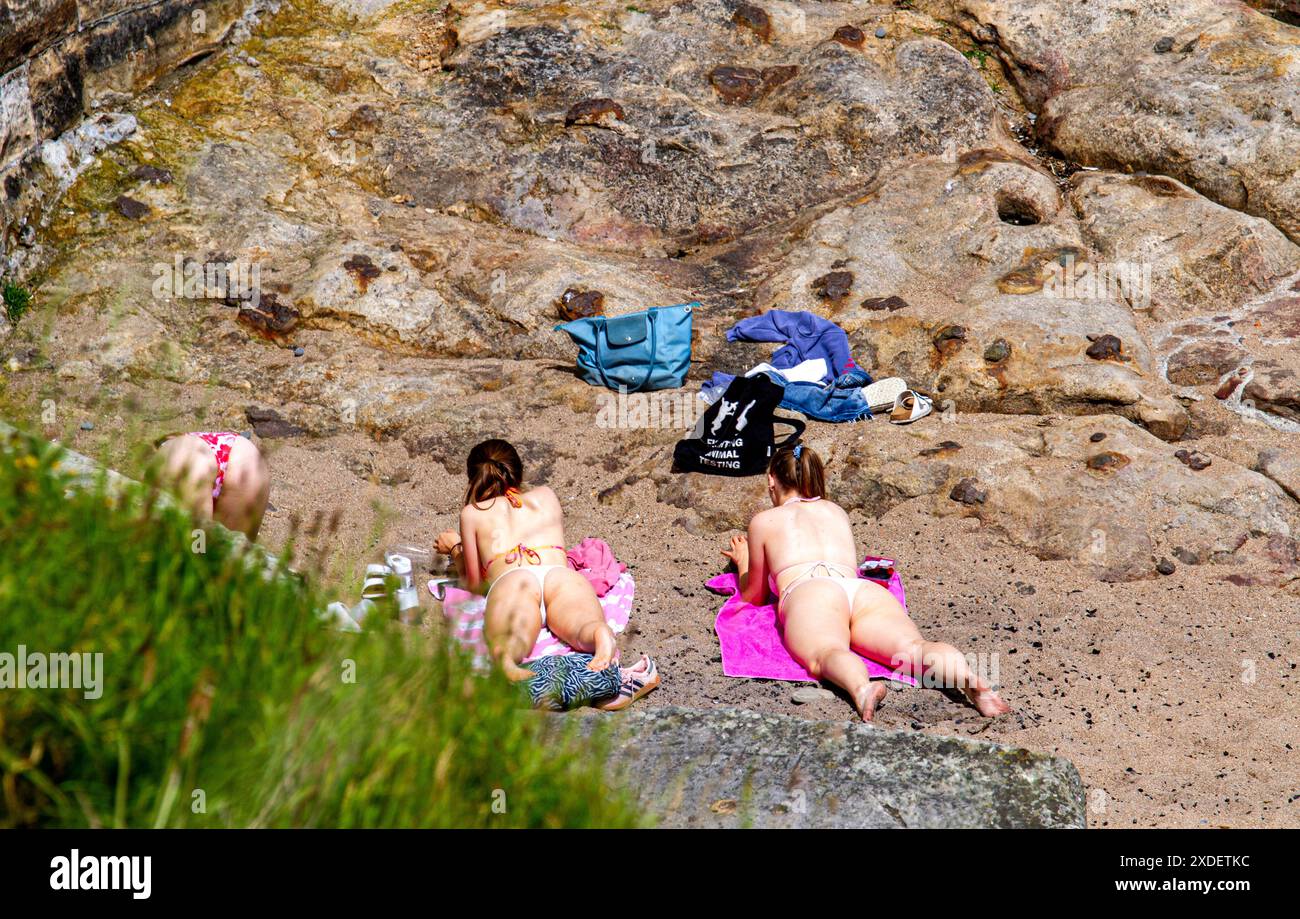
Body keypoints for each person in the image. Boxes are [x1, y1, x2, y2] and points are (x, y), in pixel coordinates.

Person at [721, 443, 1009, 722]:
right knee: (913, 648)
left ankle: (862, 687)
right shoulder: (836, 512)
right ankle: (969, 678)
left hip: (812, 592)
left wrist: (743, 560)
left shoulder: (765, 520)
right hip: (860, 590)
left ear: (772, 480)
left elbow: (754, 595)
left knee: (827, 652)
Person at [435, 439, 658, 708]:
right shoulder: (546, 494)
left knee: (512, 637)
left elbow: (472, 582)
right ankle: (600, 635)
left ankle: (507, 660)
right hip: (559, 576)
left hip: (514, 580)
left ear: (473, 480)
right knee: (581, 624)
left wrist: (455, 548)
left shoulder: (472, 514)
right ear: (517, 471)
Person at [155, 432, 270, 540]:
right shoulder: (190, 438)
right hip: (245, 453)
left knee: (197, 548)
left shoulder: (161, 456)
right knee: (239, 556)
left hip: (183, 463)